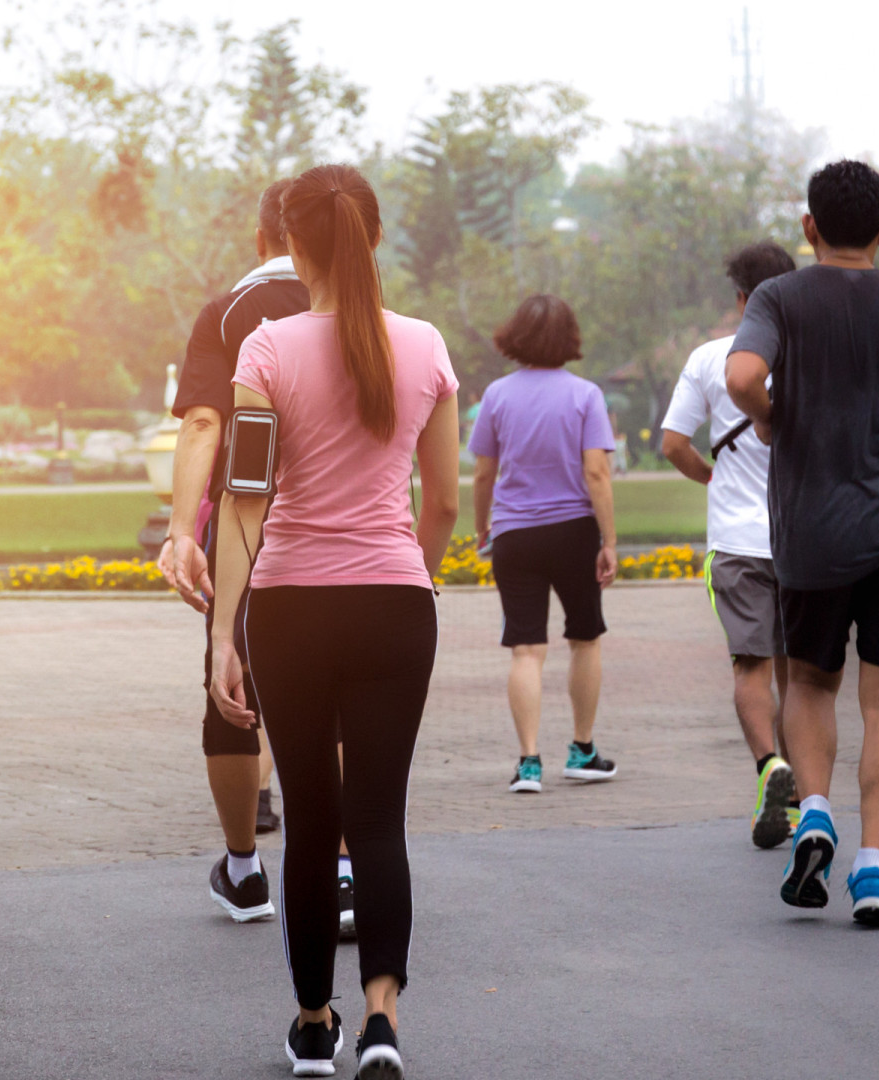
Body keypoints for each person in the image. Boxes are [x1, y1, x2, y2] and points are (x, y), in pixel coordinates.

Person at [210, 164, 460, 1079]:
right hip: (396, 603)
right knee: (379, 819)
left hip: (288, 610)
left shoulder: (267, 350)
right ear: (376, 238)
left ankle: (314, 1024)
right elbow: (442, 508)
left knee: (312, 823)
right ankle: (382, 1019)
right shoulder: (426, 346)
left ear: (291, 245)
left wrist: (220, 635)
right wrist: (403, 583)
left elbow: (243, 501)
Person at [726, 160, 879, 927]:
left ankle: (815, 812)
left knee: (812, 684)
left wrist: (769, 414)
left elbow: (741, 375)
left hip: (811, 531)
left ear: (808, 227)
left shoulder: (778, 297)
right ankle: (875, 871)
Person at [160, 178, 322, 928]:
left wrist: (182, 533)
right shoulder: (372, 314)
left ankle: (244, 868)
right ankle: (346, 871)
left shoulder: (227, 314)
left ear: (263, 241)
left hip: (247, 532)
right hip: (348, 531)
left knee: (231, 687)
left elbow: (202, 424)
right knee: (343, 699)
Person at [659, 241, 799, 849]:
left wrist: (707, 475)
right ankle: (803, 806)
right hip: (804, 538)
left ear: (741, 296)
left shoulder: (712, 357)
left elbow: (672, 442)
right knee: (805, 678)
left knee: (751, 666)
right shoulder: (807, 355)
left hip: (737, 543)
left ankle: (769, 766)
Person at [470, 295, 620, 794]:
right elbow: (596, 472)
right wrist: (610, 541)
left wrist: (482, 529)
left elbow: (483, 474)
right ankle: (582, 750)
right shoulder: (585, 395)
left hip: (514, 534)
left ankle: (528, 762)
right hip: (574, 531)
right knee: (584, 637)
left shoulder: (495, 395)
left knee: (526, 649)